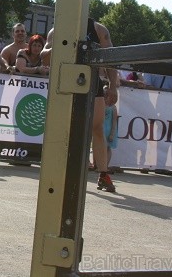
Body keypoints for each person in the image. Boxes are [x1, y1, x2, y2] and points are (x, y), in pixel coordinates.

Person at [42, 20, 119, 191]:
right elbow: (44, 58)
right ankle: (58, 171)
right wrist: (61, 48)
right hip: (66, 81)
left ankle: (103, 174)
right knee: (64, 128)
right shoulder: (58, 29)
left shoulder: (98, 29)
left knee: (97, 127)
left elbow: (111, 59)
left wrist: (113, 86)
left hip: (91, 81)